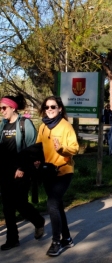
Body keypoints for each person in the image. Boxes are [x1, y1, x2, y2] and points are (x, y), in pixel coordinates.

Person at [35, 96, 79, 256]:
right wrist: (36, 161)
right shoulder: (43, 127)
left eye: (53, 107)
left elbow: (74, 148)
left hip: (63, 171)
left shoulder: (66, 126)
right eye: (47, 107)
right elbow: (39, 147)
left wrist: (61, 149)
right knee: (58, 206)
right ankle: (67, 239)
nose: (50, 110)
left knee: (52, 204)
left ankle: (56, 242)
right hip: (48, 172)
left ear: (60, 108)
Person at [0, 94, 45, 251]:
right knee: (7, 207)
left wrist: (23, 168)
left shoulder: (25, 124)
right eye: (0, 108)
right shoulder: (3, 125)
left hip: (21, 171)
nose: (1, 111)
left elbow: (33, 149)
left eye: (4, 108)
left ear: (13, 107)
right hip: (5, 172)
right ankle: (12, 239)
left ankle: (38, 221)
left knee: (20, 203)